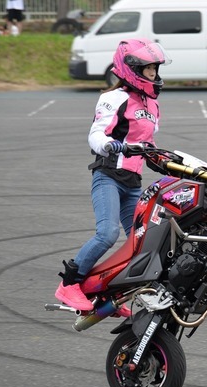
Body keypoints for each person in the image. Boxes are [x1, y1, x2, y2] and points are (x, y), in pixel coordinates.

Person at [54, 38, 172, 313]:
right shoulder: (113, 98)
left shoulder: (152, 106)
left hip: (133, 184)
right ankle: (69, 284)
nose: (154, 75)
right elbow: (96, 135)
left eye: (156, 69)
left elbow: (148, 145)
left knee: (142, 243)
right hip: (108, 177)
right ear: (132, 69)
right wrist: (109, 144)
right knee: (107, 234)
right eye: (149, 69)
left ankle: (108, 293)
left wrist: (164, 159)